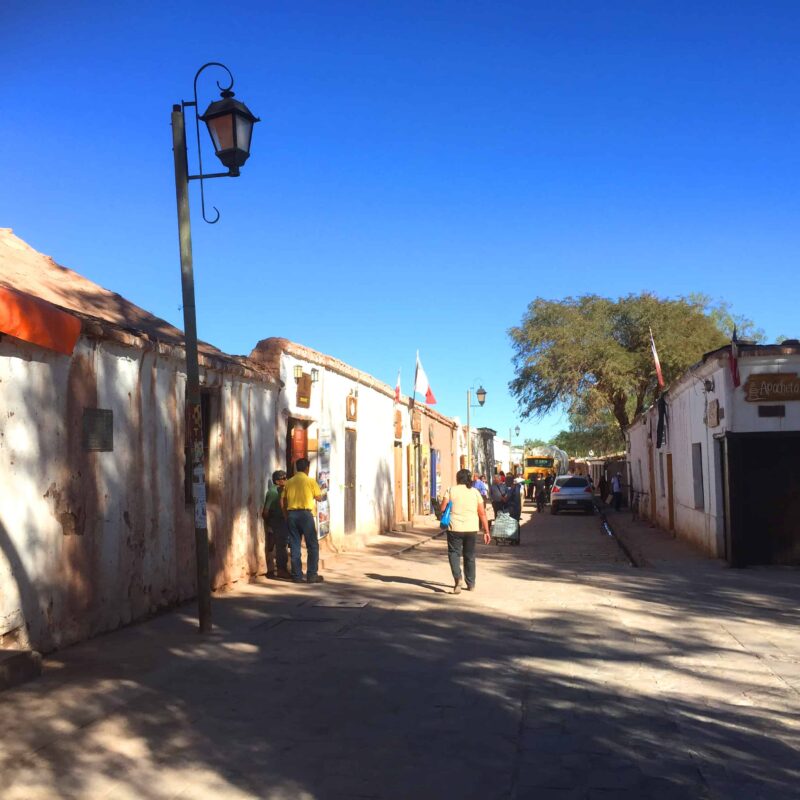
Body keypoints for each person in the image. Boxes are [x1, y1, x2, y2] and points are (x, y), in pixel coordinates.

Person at [440, 469, 490, 594]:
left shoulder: (451, 490)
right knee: (470, 555)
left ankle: (458, 578)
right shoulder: (475, 492)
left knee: (454, 553)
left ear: (458, 478)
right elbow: (482, 513)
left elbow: (442, 508)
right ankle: (471, 583)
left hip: (455, 527)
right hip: (471, 528)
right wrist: (486, 531)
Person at [282, 458, 327, 583]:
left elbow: (283, 501)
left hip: (292, 515)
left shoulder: (289, 482)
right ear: (307, 468)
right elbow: (318, 498)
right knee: (312, 545)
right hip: (305, 516)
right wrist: (324, 493)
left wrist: (286, 515)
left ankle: (297, 576)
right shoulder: (310, 481)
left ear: (297, 468)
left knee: (295, 545)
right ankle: (312, 575)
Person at [262, 469, 292, 579]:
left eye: (286, 477)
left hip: (284, 520)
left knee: (285, 544)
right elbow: (265, 511)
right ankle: (281, 570)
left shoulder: (285, 490)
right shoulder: (273, 492)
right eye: (283, 478)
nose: (286, 480)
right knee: (281, 546)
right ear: (277, 481)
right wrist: (270, 523)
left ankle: (285, 568)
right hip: (277, 520)